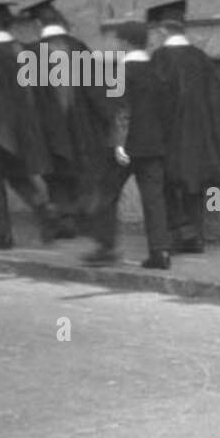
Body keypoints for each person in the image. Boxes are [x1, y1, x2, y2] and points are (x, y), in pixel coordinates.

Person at [147, 0, 220, 254]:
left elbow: (153, 102)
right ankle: (196, 236)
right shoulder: (201, 59)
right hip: (199, 138)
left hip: (167, 137)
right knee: (196, 186)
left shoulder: (158, 59)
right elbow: (217, 103)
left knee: (165, 186)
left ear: (161, 30)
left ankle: (179, 233)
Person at [0, 0, 58, 248]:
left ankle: (2, 234)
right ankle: (45, 209)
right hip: (25, 128)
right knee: (18, 175)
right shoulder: (23, 50)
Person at [82, 21, 173, 270]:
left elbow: (118, 109)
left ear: (125, 42)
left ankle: (105, 247)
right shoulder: (157, 71)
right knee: (154, 199)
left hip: (126, 146)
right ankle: (160, 251)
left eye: (118, 41)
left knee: (106, 194)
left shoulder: (120, 71)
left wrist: (119, 144)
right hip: (153, 145)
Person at [20, 0, 110, 239]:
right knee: (80, 169)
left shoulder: (31, 53)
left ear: (39, 25)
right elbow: (96, 89)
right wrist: (107, 119)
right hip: (79, 125)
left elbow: (26, 95)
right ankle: (80, 217)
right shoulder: (79, 47)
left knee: (54, 173)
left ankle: (63, 216)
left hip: (47, 127)